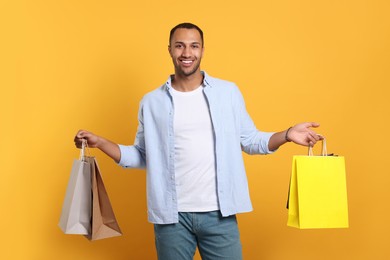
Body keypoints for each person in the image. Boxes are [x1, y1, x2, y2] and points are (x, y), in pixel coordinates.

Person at [74, 22, 322, 260]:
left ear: (202, 50)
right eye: (179, 45)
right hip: (171, 218)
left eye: (194, 46)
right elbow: (141, 156)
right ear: (170, 49)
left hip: (219, 215)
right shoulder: (151, 102)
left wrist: (288, 134)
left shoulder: (228, 93)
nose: (187, 52)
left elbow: (251, 141)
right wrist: (100, 142)